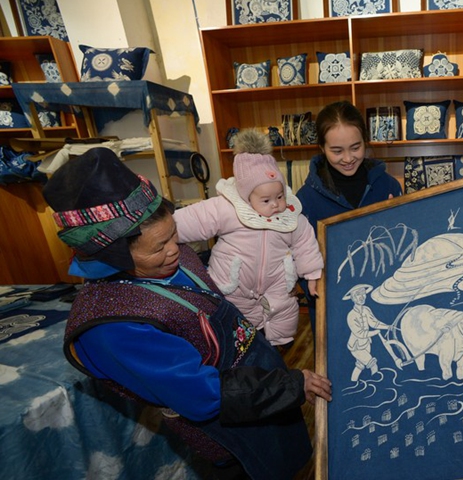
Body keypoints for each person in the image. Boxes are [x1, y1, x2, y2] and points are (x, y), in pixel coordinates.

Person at [42, 147, 332, 480]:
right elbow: (203, 395)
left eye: (174, 237)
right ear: (113, 255)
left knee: (286, 459)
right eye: (159, 247)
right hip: (232, 431)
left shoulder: (170, 257)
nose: (174, 251)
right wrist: (288, 387)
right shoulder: (112, 327)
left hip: (260, 388)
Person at [174, 128, 323, 348]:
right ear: (246, 197)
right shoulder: (227, 209)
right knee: (238, 326)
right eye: (266, 200)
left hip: (276, 282)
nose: (275, 204)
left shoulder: (290, 216)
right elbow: (192, 220)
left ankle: (279, 345)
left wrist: (312, 273)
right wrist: (163, 232)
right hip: (233, 284)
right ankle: (248, 348)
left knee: (282, 310)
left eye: (280, 196)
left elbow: (305, 243)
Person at [296, 100, 403, 331]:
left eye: (355, 147)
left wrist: (397, 219)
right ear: (322, 148)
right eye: (337, 151)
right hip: (332, 309)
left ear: (365, 140)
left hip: (384, 299)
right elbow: (297, 257)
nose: (347, 158)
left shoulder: (389, 187)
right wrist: (311, 281)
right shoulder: (305, 199)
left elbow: (404, 245)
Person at [343, 284, 392, 382]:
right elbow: (360, 333)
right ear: (352, 298)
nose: (362, 297)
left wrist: (387, 327)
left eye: (363, 293)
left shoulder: (366, 309)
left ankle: (353, 382)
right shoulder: (351, 315)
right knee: (373, 364)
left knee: (360, 366)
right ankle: (377, 383)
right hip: (356, 346)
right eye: (358, 294)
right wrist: (375, 332)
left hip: (366, 344)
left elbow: (374, 323)